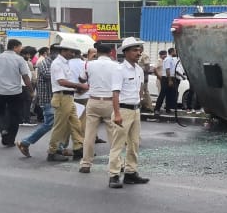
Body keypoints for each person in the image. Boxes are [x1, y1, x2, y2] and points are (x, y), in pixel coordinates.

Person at [108, 37, 150, 188]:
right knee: (118, 144)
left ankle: (131, 173)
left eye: (139, 50)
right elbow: (115, 94)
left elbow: (139, 90)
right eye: (134, 50)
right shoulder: (119, 69)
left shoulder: (138, 69)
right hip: (123, 110)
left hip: (135, 110)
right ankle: (113, 175)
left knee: (134, 143)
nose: (138, 53)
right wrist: (117, 114)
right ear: (125, 52)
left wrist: (140, 103)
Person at [79, 42, 122, 174]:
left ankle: (86, 163)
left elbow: (81, 79)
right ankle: (118, 162)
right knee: (114, 135)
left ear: (96, 52)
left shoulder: (88, 64)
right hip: (110, 102)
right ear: (110, 53)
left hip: (93, 101)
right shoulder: (117, 66)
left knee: (89, 135)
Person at [0, 39, 32, 147]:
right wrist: (30, 90)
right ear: (15, 47)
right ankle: (10, 139)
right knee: (15, 115)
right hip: (15, 92)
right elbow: (25, 77)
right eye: (19, 47)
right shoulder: (20, 59)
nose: (20, 50)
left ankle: (3, 129)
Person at [47, 39, 88, 162]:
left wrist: (76, 89)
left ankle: (78, 148)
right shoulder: (58, 63)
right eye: (71, 51)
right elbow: (61, 82)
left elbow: (65, 83)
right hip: (62, 97)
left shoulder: (65, 63)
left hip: (68, 96)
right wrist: (79, 86)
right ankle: (52, 151)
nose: (73, 54)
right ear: (63, 50)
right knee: (60, 126)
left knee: (76, 124)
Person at [18, 44, 60, 158]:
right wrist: (63, 74)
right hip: (48, 98)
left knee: (60, 124)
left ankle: (60, 147)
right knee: (49, 124)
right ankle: (25, 142)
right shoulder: (45, 63)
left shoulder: (56, 63)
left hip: (57, 98)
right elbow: (48, 75)